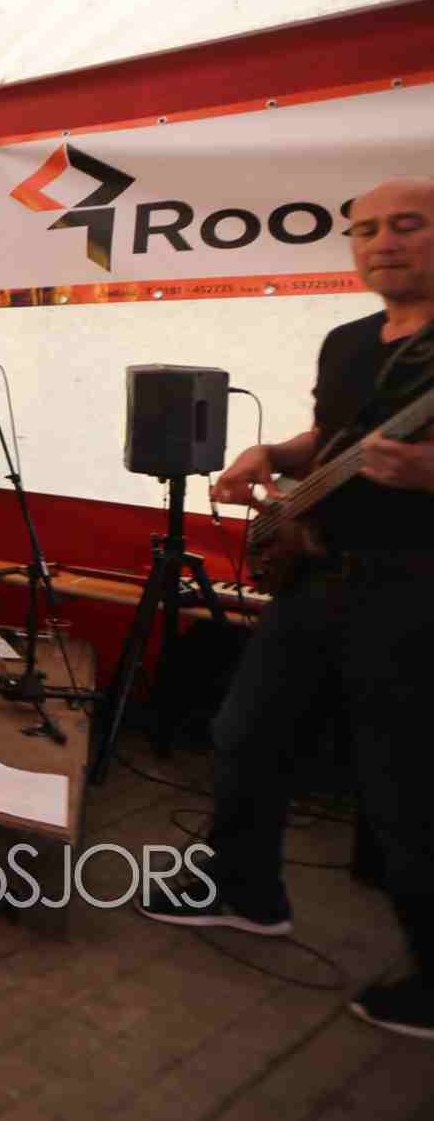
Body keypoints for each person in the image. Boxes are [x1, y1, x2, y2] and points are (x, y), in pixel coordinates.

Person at [142, 177, 434, 1042]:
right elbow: (329, 439)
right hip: (319, 573)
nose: (383, 242)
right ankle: (246, 889)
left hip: (414, 583)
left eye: (408, 225)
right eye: (367, 230)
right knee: (246, 729)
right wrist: (268, 452)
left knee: (404, 783)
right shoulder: (349, 341)